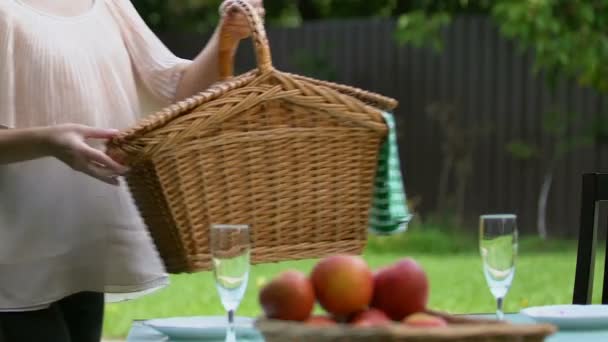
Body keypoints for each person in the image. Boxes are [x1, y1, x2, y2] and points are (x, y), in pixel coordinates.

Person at [0, 0, 264, 341]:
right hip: (14, 256)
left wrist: (225, 37)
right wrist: (51, 141)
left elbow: (181, 94)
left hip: (84, 247)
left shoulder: (109, 4)